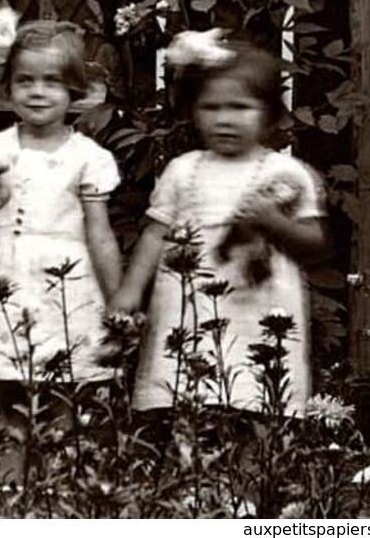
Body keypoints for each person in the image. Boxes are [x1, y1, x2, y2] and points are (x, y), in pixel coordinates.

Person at [111, 29, 328, 415]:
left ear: (269, 113)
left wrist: (274, 223)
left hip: (259, 302)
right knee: (186, 391)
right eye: (211, 108)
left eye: (240, 107)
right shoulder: (183, 170)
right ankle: (191, 465)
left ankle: (250, 465)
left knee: (255, 389)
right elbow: (154, 234)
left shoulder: (287, 173)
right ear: (193, 111)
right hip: (190, 300)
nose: (225, 120)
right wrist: (130, 291)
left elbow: (313, 243)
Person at [0, 19, 122, 401]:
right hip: (4, 280)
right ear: (8, 88)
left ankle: (57, 460)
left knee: (63, 389)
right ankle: (7, 458)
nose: (38, 92)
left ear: (75, 90)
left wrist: (118, 300)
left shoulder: (88, 157)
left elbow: (100, 234)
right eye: (25, 81)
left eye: (52, 81)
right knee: (6, 389)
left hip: (65, 283)